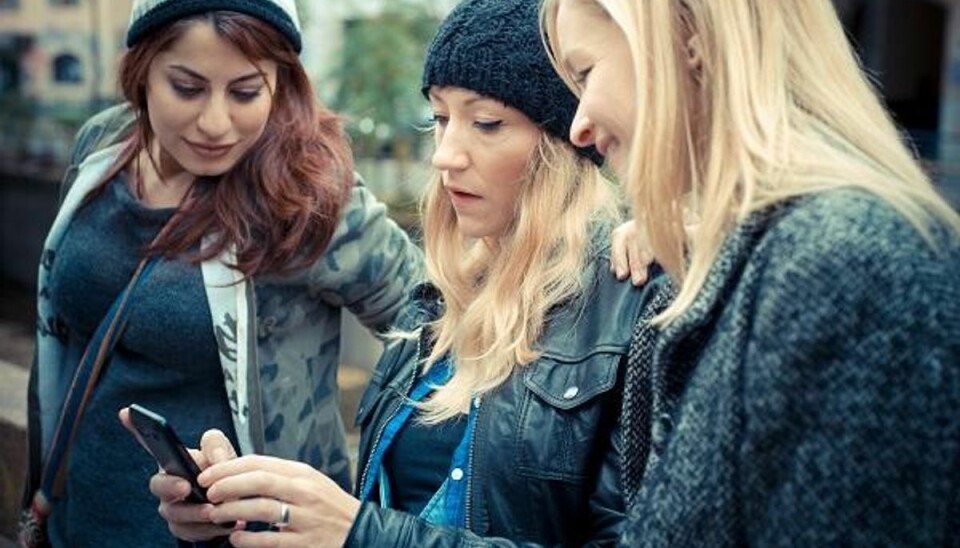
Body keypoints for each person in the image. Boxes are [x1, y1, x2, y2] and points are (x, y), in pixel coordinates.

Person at [138, 0, 673, 545]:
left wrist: (360, 534)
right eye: (440, 118)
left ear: (569, 138)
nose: (445, 155)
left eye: (486, 122)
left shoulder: (639, 296)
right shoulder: (438, 300)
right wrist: (245, 520)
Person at [542, 0, 960, 545]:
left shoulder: (840, 267)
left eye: (586, 73)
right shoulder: (770, 262)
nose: (579, 127)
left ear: (688, 34)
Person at [20, 1, 426, 546]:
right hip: (79, 510)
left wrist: (383, 517)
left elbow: (441, 337)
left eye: (245, 92)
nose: (215, 123)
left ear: (281, 84)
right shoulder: (103, 146)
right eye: (187, 88)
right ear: (141, 71)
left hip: (236, 535)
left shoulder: (307, 196)